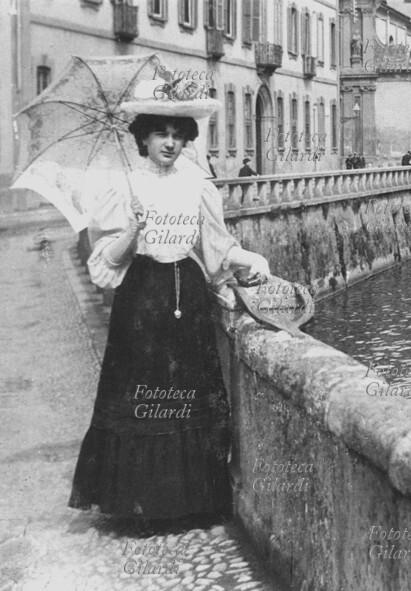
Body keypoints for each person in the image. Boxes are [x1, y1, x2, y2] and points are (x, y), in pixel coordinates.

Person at [68, 78, 272, 526]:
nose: (170, 143)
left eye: (178, 135)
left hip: (189, 296)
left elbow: (217, 248)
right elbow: (105, 264)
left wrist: (249, 257)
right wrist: (133, 232)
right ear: (142, 136)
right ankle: (143, 505)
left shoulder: (198, 184)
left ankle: (190, 503)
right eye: (161, 134)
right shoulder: (125, 183)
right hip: (141, 301)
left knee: (189, 394)